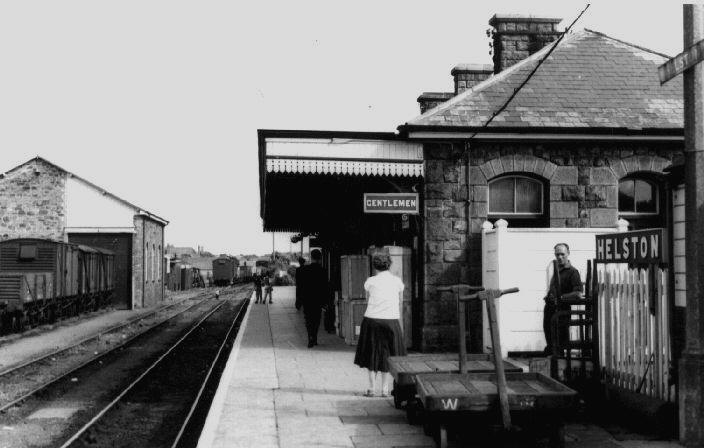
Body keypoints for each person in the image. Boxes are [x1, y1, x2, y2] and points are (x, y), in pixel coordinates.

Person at [354, 253, 406, 397]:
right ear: (389, 265)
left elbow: (367, 299)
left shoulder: (370, 281)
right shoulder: (397, 281)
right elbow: (400, 300)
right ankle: (384, 389)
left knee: (371, 352)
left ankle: (371, 388)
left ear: (375, 266)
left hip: (372, 320)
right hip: (391, 320)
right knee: (388, 354)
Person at [543, 243, 583, 355]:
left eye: (562, 254)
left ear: (568, 254)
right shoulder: (556, 270)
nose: (560, 257)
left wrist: (561, 297)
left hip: (562, 310)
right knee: (549, 336)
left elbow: (578, 293)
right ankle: (552, 362)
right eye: (557, 254)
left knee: (560, 340)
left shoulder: (572, 272)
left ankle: (560, 364)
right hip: (550, 308)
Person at [297, 249, 329, 348]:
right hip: (318, 299)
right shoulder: (323, 270)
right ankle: (314, 337)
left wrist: (299, 299)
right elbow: (325, 287)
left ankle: (310, 337)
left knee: (308, 319)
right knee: (316, 319)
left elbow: (301, 286)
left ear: (311, 257)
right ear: (320, 258)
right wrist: (325, 301)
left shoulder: (305, 270)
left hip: (307, 299)